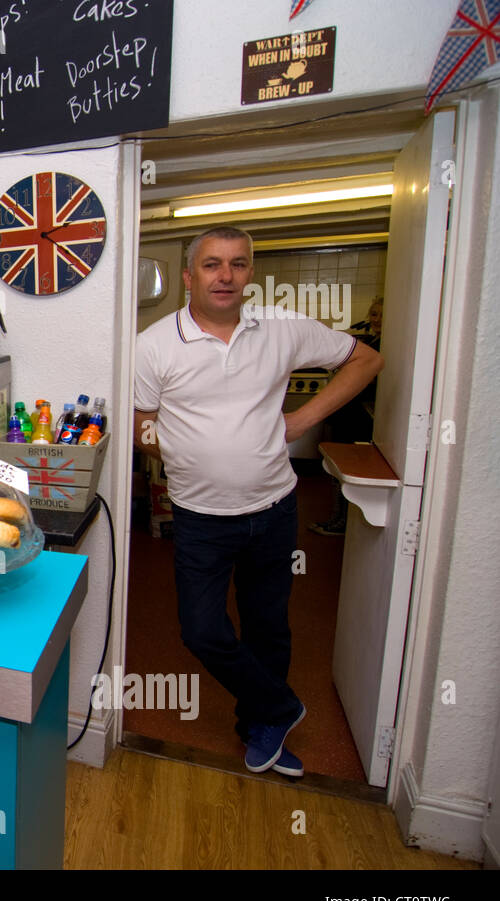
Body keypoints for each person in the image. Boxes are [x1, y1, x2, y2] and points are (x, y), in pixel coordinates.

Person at [132, 226, 383, 777]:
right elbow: (140, 422)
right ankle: (281, 706)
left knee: (267, 624)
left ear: (249, 273)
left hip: (273, 509)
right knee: (201, 629)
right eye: (213, 264)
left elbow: (365, 360)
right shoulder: (153, 345)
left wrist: (301, 420)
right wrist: (173, 445)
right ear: (189, 275)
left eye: (238, 264)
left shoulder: (281, 328)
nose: (226, 276)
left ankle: (262, 725)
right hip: (198, 516)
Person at [310, 295, 383, 536]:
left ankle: (342, 522)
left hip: (361, 418)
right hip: (348, 415)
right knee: (337, 469)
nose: (378, 320)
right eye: (374, 314)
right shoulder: (371, 340)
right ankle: (339, 519)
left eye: (383, 315)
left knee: (347, 473)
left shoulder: (382, 347)